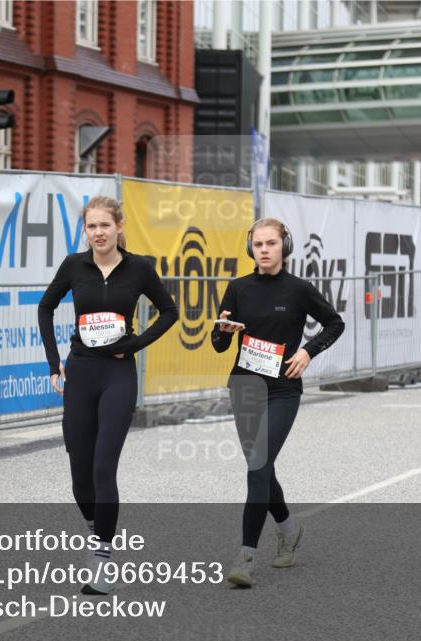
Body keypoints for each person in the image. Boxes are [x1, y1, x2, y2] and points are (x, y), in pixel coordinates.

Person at [38, 195, 178, 595]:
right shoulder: (74, 265)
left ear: (119, 227)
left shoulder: (139, 268)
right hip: (81, 372)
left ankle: (101, 557)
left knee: (103, 469)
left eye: (105, 225)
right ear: (85, 230)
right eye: (91, 226)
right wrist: (54, 364)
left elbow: (169, 311)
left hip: (118, 374)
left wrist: (134, 345)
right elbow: (45, 308)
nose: (98, 233)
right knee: (80, 475)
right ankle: (97, 528)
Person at [211, 218, 344, 588]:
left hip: (283, 389)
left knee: (257, 466)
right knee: (262, 469)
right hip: (244, 387)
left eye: (270, 243)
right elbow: (219, 345)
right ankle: (289, 529)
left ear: (284, 247)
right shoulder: (238, 288)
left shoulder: (298, 289)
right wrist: (222, 331)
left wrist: (308, 351)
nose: (264, 250)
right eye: (258, 244)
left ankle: (245, 557)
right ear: (250, 248)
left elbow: (334, 324)